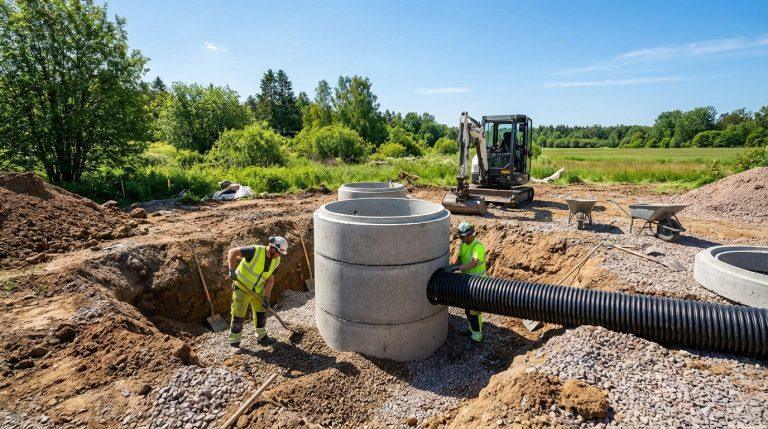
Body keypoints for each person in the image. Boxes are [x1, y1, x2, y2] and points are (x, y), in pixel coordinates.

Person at [226, 235, 288, 350]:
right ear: (273, 248)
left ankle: (262, 337)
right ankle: (234, 343)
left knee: (261, 313)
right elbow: (232, 252)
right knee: (238, 315)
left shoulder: (276, 260)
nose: (279, 255)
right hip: (242, 287)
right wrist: (231, 269)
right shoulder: (255, 251)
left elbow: (270, 279)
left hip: (258, 289)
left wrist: (266, 297)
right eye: (279, 252)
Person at [445, 222, 486, 345]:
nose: (461, 239)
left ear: (469, 234)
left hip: (478, 283)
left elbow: (474, 263)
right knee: (467, 308)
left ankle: (477, 337)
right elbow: (459, 259)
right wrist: (452, 267)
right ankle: (471, 330)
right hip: (467, 282)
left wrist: (458, 268)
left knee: (474, 311)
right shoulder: (464, 244)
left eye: (463, 237)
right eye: (460, 237)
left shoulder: (477, 246)